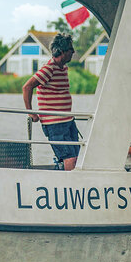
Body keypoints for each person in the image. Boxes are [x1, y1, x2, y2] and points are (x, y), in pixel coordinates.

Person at [23, 33, 79, 170]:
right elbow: (27, 87)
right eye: (71, 49)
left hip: (67, 120)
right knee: (69, 156)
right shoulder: (49, 68)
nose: (73, 52)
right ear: (62, 51)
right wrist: (31, 112)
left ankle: (71, 178)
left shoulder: (63, 68)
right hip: (55, 123)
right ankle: (71, 181)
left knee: (78, 155)